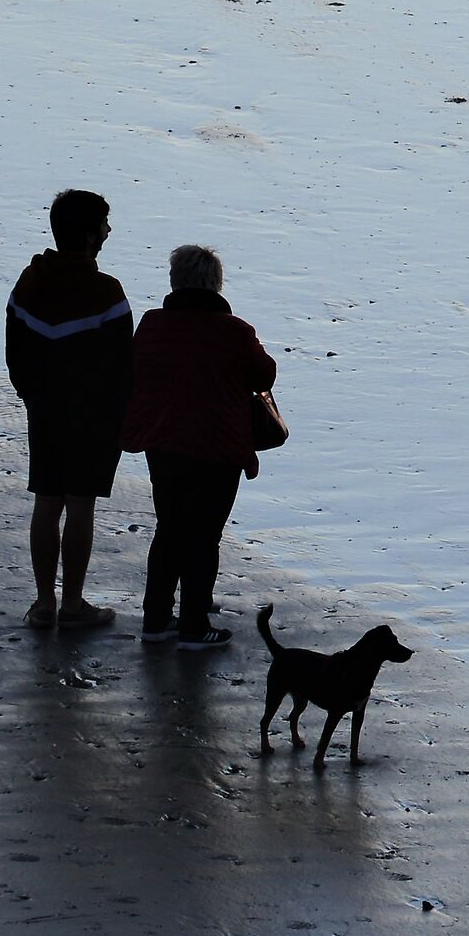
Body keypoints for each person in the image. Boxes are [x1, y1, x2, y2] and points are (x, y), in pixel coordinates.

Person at [121, 244, 278, 650]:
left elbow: (135, 369)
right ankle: (194, 625)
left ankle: (156, 619)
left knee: (170, 528)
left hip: (163, 441)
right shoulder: (235, 332)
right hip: (218, 445)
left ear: (175, 281)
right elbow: (265, 374)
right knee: (205, 535)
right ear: (216, 284)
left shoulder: (153, 324)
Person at [5, 189, 133, 630]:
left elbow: (15, 355)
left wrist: (33, 395)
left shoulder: (29, 283)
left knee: (46, 501)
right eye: (104, 224)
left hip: (44, 409)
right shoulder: (107, 292)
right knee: (80, 505)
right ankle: (74, 604)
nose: (109, 231)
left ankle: (44, 604)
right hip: (93, 415)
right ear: (90, 234)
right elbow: (123, 365)